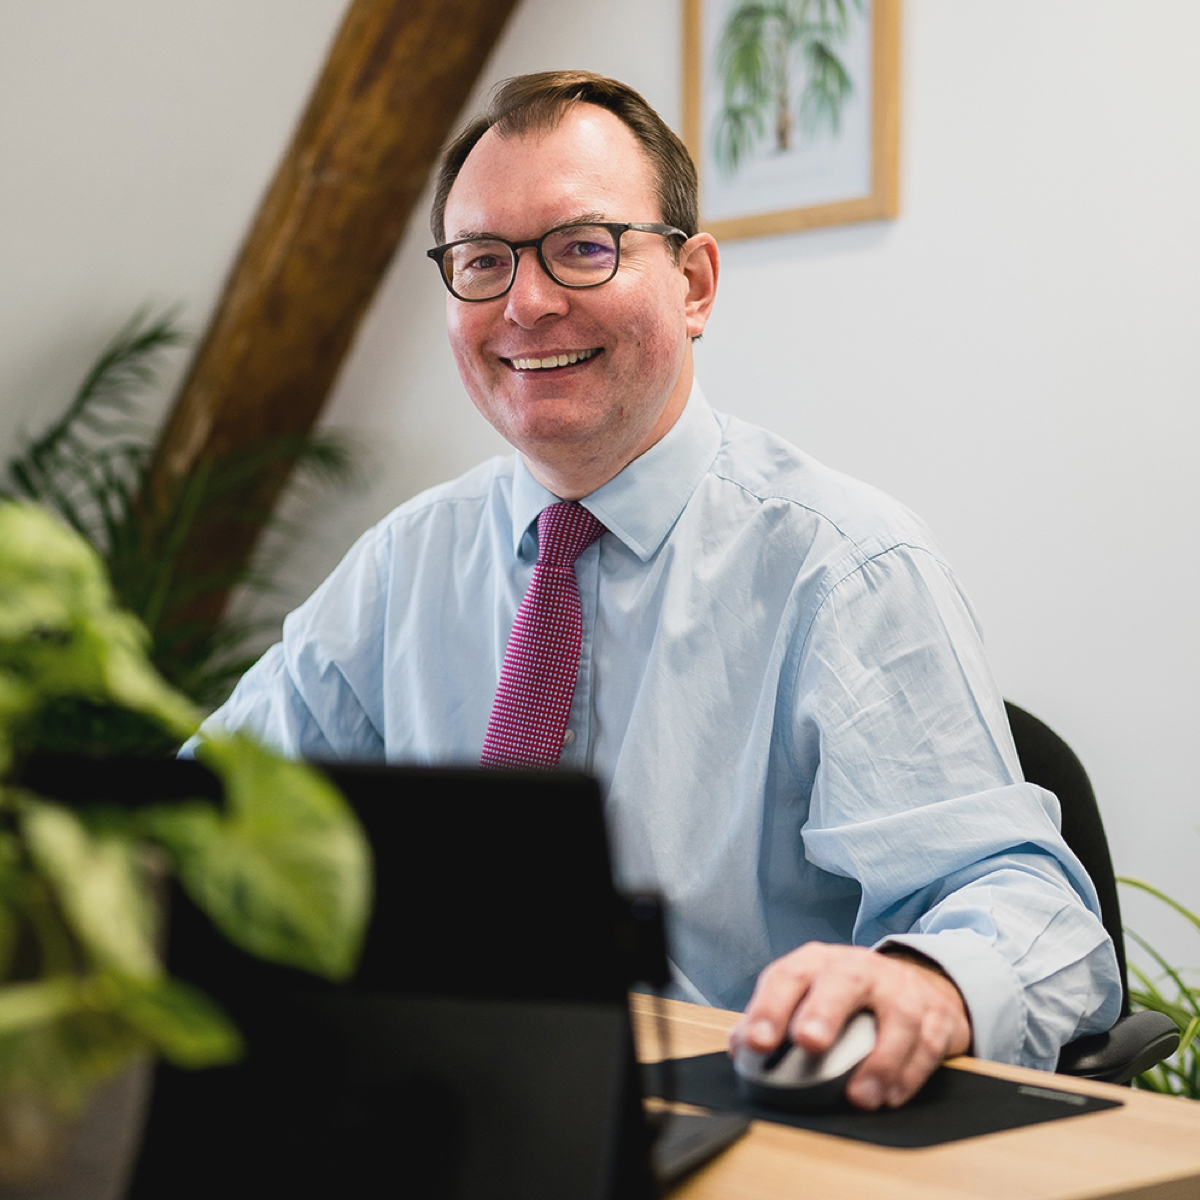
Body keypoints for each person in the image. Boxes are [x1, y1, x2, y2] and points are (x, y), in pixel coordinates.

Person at [197, 71, 1121, 1110]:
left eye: (584, 247)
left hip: (732, 1127)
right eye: (483, 261)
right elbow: (197, 820)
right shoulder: (403, 566)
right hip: (440, 1120)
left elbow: (1029, 909)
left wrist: (927, 983)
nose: (528, 303)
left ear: (695, 284)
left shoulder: (843, 567)